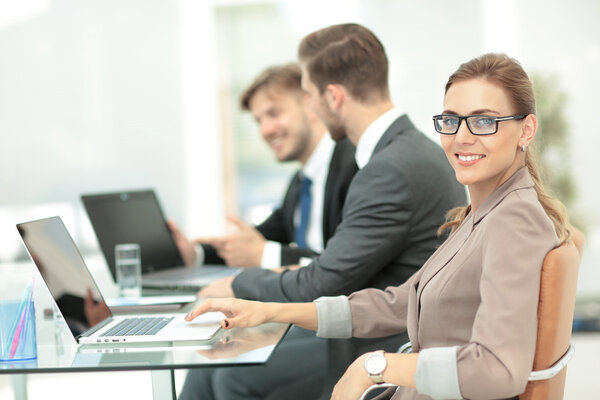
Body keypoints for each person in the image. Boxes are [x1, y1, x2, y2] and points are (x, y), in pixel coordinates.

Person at [185, 52, 572, 399]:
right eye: (451, 121)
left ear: (526, 129)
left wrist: (373, 368)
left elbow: (497, 371)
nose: (462, 137)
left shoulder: (513, 221)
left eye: (485, 121)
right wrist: (270, 311)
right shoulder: (483, 211)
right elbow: (399, 303)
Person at [180, 23, 466, 400]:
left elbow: (324, 282)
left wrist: (238, 284)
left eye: (309, 95)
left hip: (392, 345)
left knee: (231, 375)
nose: (310, 107)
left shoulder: (390, 170)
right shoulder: (402, 154)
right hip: (379, 328)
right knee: (212, 366)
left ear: (333, 97)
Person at [170, 63, 357, 270]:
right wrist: (196, 254)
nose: (265, 130)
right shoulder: (300, 184)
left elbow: (346, 262)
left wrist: (265, 255)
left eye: (274, 114)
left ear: (311, 105)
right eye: (258, 121)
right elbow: (256, 241)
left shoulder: (356, 166)